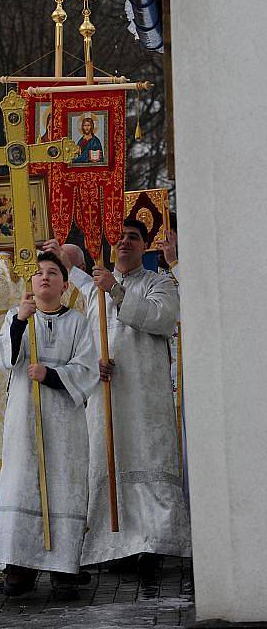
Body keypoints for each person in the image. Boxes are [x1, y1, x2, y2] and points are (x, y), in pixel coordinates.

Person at [64, 218, 191, 573]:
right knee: (109, 460)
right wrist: (92, 364)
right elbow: (81, 338)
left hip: (146, 395)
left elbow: (161, 319)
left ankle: (153, 542)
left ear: (145, 245)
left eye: (133, 238)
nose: (124, 243)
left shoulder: (160, 283)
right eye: (118, 237)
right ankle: (111, 543)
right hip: (106, 392)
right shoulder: (91, 291)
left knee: (147, 459)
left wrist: (116, 292)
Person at [0, 236, 86, 540]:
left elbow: (79, 310)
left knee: (51, 455)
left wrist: (61, 266)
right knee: (5, 457)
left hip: (48, 375)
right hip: (0, 383)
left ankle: (57, 542)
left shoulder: (48, 267)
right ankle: (9, 545)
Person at [0, 252, 98, 597]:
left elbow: (88, 367)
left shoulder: (78, 322)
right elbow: (2, 356)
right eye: (38, 273)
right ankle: (19, 565)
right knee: (23, 481)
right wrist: (20, 321)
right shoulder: (15, 318)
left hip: (62, 420)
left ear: (65, 285)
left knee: (62, 483)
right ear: (30, 283)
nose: (44, 277)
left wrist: (50, 374)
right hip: (25, 418)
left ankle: (63, 567)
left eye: (53, 272)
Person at [156, 216, 189, 509]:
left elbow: (197, 300)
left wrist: (175, 262)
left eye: (170, 236)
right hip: (158, 376)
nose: (164, 243)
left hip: (190, 378)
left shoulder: (189, 269)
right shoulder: (149, 276)